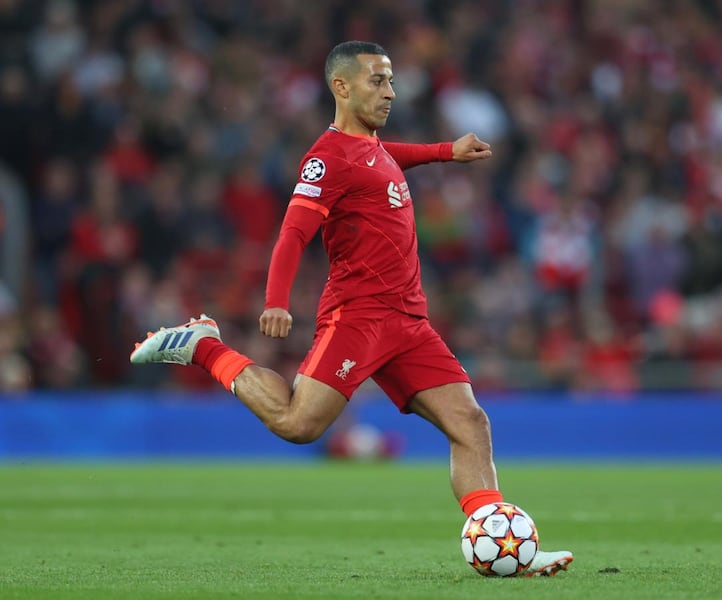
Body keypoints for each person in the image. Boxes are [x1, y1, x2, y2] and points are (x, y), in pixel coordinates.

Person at [131, 40, 573, 577]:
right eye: (376, 81)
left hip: (409, 322)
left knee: (470, 422)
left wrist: (443, 152)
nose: (389, 92)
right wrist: (276, 300)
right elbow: (293, 233)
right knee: (298, 424)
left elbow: (390, 159)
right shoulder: (326, 157)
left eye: (390, 81)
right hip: (358, 318)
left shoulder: (373, 148)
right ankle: (204, 346)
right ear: (341, 87)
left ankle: (506, 550)